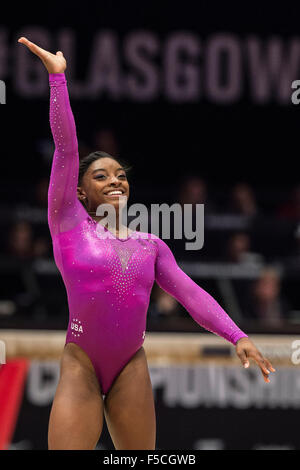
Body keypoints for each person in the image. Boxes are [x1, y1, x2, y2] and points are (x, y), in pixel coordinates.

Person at [18, 37, 275, 451]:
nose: (114, 180)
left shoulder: (150, 244)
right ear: (79, 193)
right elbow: (67, 148)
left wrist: (237, 335)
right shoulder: (67, 220)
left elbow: (190, 294)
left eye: (119, 174)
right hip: (81, 359)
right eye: (100, 176)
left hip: (130, 365)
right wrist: (57, 79)